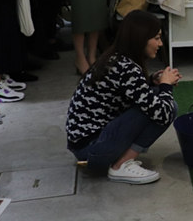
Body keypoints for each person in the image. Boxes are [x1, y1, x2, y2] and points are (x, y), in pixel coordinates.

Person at [66, 10, 180, 184]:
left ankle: (118, 161)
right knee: (169, 107)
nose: (160, 43)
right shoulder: (127, 68)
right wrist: (166, 85)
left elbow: (127, 92)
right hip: (91, 149)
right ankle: (120, 166)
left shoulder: (115, 58)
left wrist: (151, 82)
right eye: (156, 38)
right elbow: (163, 113)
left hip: (84, 144)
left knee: (156, 96)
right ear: (141, 38)